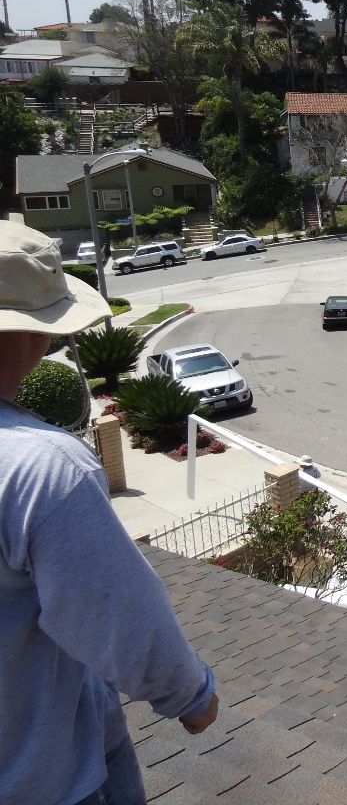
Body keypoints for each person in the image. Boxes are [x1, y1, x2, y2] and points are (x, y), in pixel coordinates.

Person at [0, 222, 218, 805]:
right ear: (29, 336)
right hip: (44, 774)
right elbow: (115, 609)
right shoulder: (38, 466)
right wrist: (190, 696)